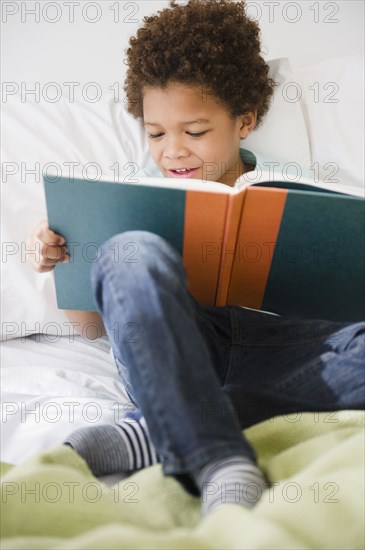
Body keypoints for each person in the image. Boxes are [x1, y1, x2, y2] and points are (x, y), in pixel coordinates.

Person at [27, 0, 364, 516]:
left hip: (280, 344)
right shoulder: (128, 196)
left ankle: (160, 430)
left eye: (196, 132)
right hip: (174, 342)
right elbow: (92, 328)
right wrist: (63, 263)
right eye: (157, 133)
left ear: (244, 120)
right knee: (129, 251)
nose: (173, 151)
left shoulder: (296, 184)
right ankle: (217, 454)